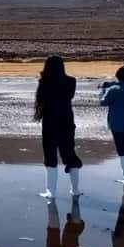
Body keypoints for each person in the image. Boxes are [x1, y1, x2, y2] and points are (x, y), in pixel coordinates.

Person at [34, 55, 83, 198]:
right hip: (66, 120)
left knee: (50, 155)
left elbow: (40, 100)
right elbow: (69, 97)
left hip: (50, 121)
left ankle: (51, 192)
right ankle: (75, 190)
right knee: (69, 153)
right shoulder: (71, 81)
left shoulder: (44, 82)